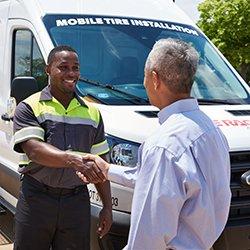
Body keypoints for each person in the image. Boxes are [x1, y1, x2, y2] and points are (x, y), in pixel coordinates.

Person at [78, 39, 231, 250]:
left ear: (155, 78)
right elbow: (165, 180)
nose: (143, 83)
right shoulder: (211, 131)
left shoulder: (164, 144)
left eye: (144, 76)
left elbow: (149, 235)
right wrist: (108, 170)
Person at [13, 45, 112, 250]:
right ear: (48, 69)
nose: (71, 73)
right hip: (36, 199)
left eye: (75, 68)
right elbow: (34, 150)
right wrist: (73, 160)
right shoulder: (29, 106)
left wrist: (107, 208)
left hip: (75, 203)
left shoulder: (92, 113)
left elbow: (102, 165)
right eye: (63, 67)